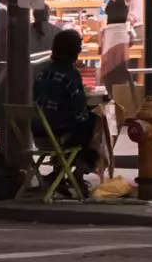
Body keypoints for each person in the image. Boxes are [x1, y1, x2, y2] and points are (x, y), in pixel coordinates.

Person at [31, 27, 100, 182]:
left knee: (76, 124)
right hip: (60, 137)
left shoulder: (43, 72)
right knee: (94, 124)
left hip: (38, 133)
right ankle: (80, 172)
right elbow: (79, 112)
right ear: (74, 51)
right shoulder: (70, 75)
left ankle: (60, 172)